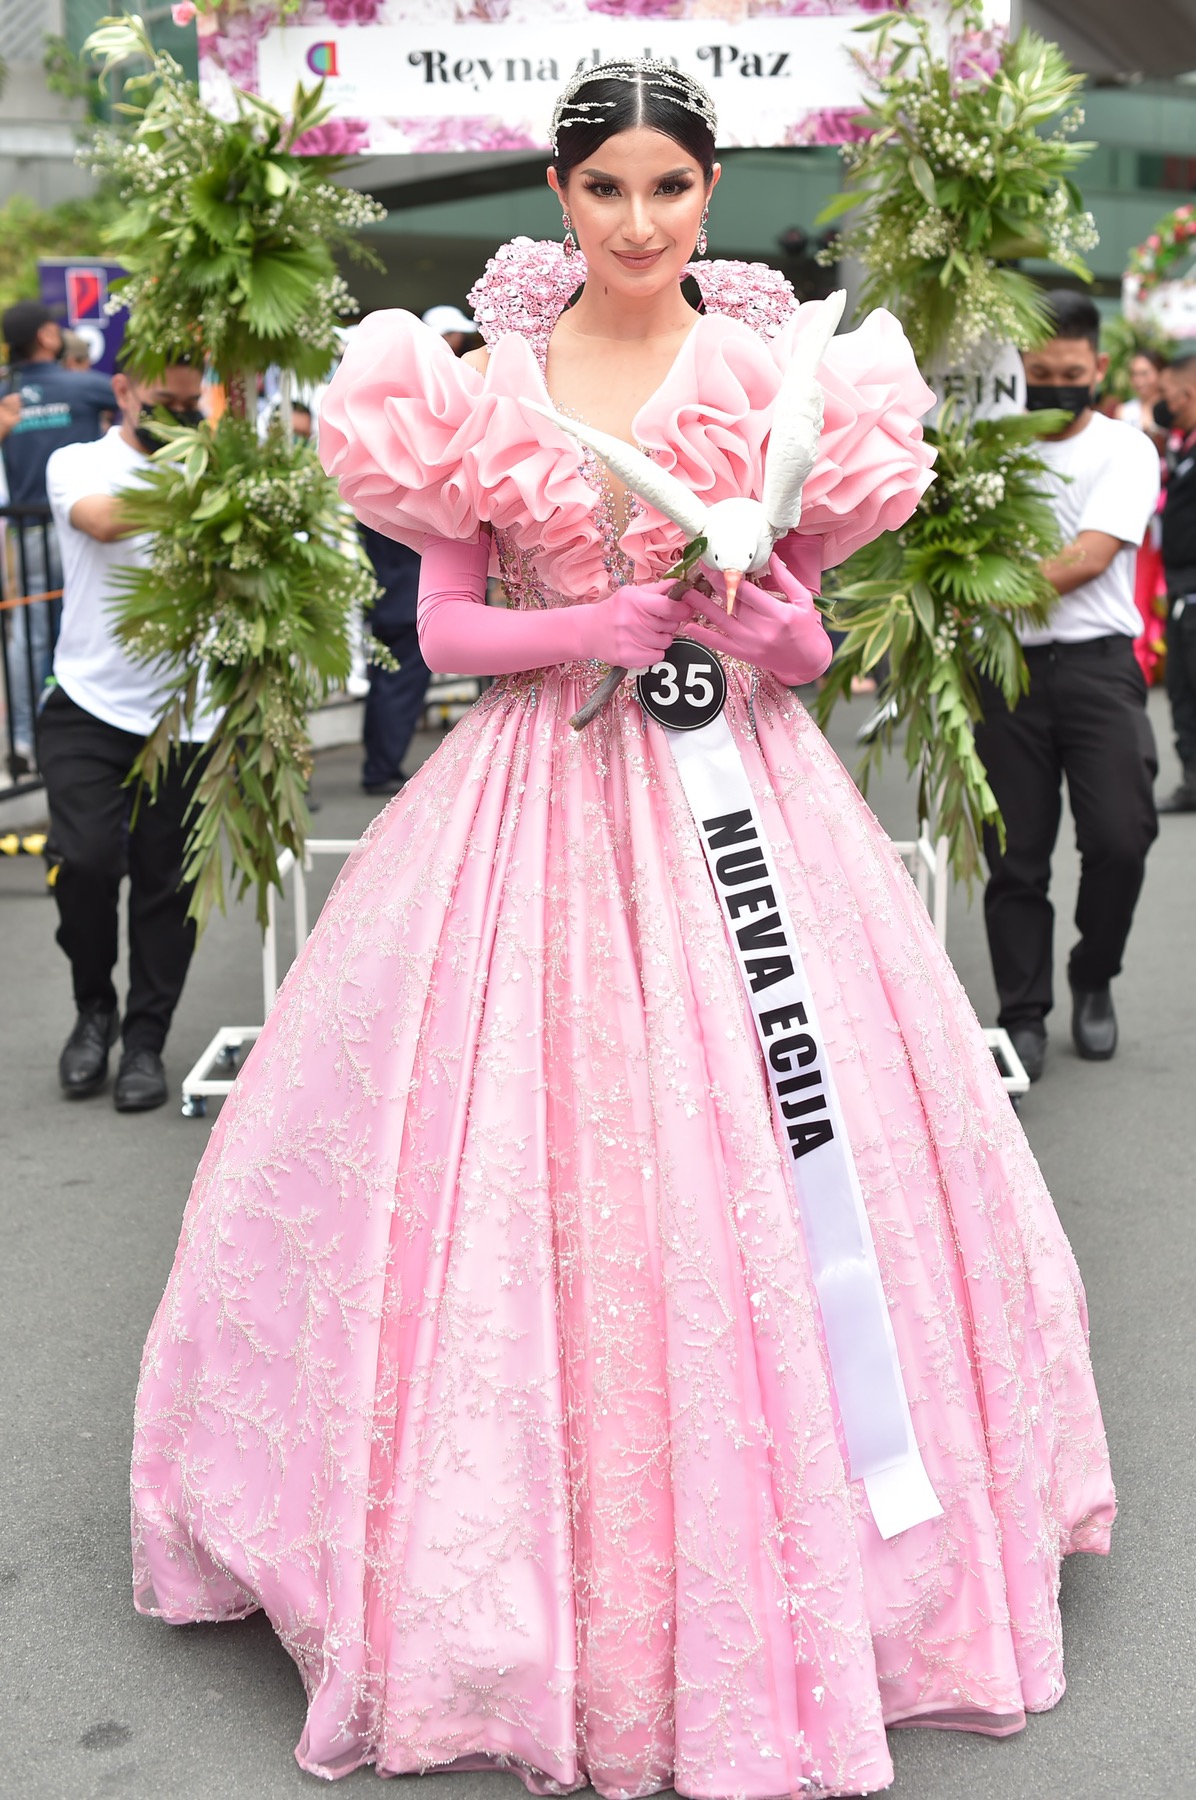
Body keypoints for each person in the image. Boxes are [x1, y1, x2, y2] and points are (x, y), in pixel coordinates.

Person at [130, 63, 1112, 1796]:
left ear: (710, 193)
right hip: (532, 813)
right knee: (528, 1173)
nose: (639, 222)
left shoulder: (778, 375)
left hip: (749, 797)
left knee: (780, 1150)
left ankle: (818, 1541)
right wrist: (606, 619)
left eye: (669, 189)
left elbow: (810, 648)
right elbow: (441, 630)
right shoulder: (477, 385)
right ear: (559, 199)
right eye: (605, 191)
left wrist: (754, 615)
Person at [975, 290, 1160, 1081]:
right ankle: (1023, 1018)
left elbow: (1088, 559)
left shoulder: (1125, 449)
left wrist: (976, 585)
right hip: (1004, 674)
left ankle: (1094, 971)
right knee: (1015, 857)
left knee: (1122, 837)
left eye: (1071, 373)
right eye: (1039, 372)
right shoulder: (987, 447)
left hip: (1097, 667)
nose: (1054, 384)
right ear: (1019, 366)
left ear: (1099, 368)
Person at [38, 354, 212, 1113]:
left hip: (189, 715)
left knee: (166, 888)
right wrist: (211, 481)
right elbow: (104, 522)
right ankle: (92, 1010)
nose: (176, 416)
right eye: (160, 404)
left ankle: (144, 1041)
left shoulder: (222, 465)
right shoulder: (76, 463)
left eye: (189, 404)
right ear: (122, 391)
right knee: (83, 862)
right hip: (87, 705)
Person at [1, 300, 114, 773]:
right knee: (86, 625)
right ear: (47, 337)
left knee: (28, 635)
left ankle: (27, 739)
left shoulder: (6, 394)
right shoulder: (85, 386)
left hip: (27, 533)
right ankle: (81, 731)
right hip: (82, 528)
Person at [1155, 350, 1196, 812]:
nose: (1165, 405)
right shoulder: (1182, 444)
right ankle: (1192, 780)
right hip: (1181, 587)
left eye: (1169, 397)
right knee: (1182, 688)